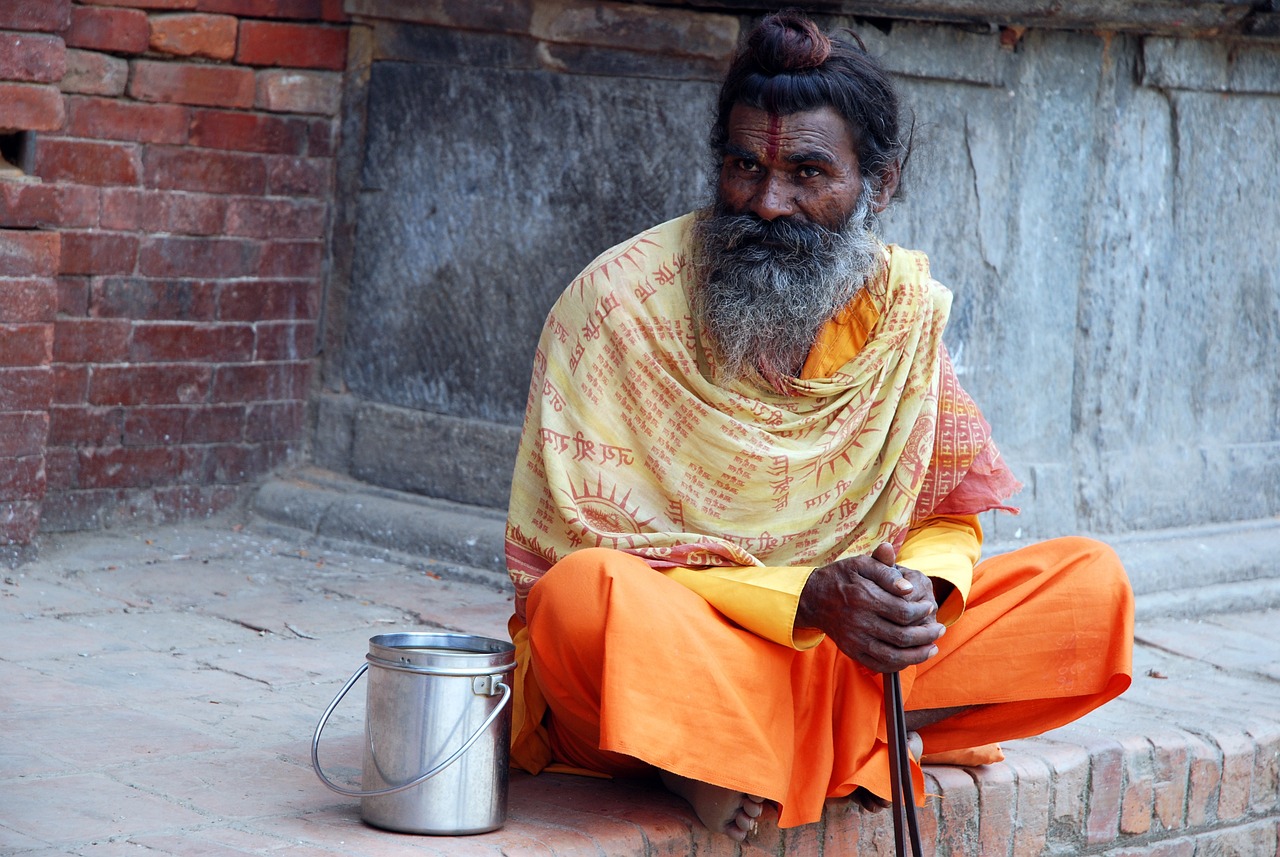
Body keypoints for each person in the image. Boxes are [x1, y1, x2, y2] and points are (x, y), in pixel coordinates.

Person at [503, 11, 1133, 842]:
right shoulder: (617, 306)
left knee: (1089, 588)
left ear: (879, 185)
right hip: (689, 645)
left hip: (844, 657)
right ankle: (831, 740)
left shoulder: (897, 314)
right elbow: (578, 551)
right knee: (576, 602)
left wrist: (915, 592)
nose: (767, 203)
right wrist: (804, 598)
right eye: (743, 166)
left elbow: (948, 509)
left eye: (807, 172)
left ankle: (742, 745)